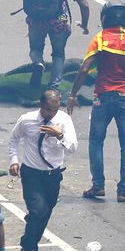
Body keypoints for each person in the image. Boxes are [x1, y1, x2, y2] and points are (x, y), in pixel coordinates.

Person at [67, 1, 125, 203]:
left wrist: (73, 94)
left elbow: (84, 68)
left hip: (103, 98)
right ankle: (123, 191)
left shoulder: (101, 39)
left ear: (104, 18)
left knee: (96, 141)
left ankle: (98, 186)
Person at [14, 0, 90, 90]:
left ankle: (38, 63)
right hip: (59, 20)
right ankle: (53, 87)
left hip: (36, 18)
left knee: (35, 48)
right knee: (58, 54)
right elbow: (84, 3)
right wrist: (85, 24)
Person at [10, 89, 76, 251]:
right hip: (31, 174)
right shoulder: (27, 120)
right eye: (48, 110)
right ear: (40, 105)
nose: (52, 114)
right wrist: (14, 160)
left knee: (45, 211)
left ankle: (29, 240)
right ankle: (29, 246)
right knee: (38, 211)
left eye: (55, 110)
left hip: (53, 175)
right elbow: (14, 139)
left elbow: (73, 148)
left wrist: (59, 136)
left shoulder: (64, 120)